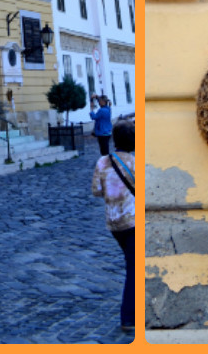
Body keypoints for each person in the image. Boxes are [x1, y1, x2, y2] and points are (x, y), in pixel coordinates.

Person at [91, 117, 136, 333]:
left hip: (113, 223)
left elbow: (96, 191)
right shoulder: (134, 163)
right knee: (133, 269)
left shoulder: (102, 162)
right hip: (132, 221)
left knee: (133, 264)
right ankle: (128, 317)